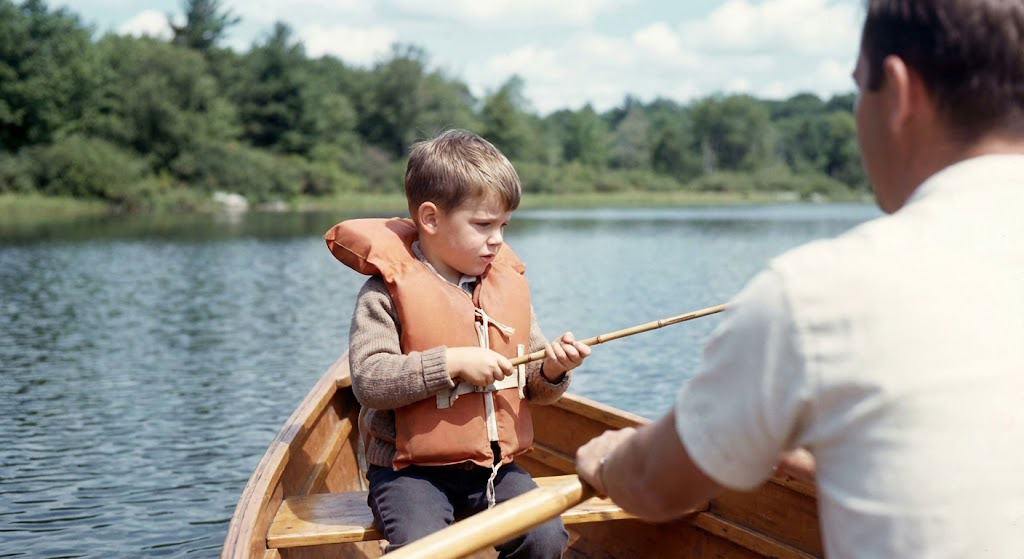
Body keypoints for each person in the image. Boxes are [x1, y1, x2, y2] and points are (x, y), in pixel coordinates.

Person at [576, 1, 1024, 557]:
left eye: (860, 86)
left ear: (899, 91)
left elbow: (652, 486)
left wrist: (604, 459)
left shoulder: (816, 292)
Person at [325, 129, 590, 556]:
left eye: (503, 225)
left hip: (493, 469)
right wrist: (450, 363)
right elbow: (370, 382)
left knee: (545, 536)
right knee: (424, 550)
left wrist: (555, 369)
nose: (498, 239)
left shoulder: (504, 286)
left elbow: (534, 387)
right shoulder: (383, 294)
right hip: (407, 473)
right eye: (483, 225)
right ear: (430, 219)